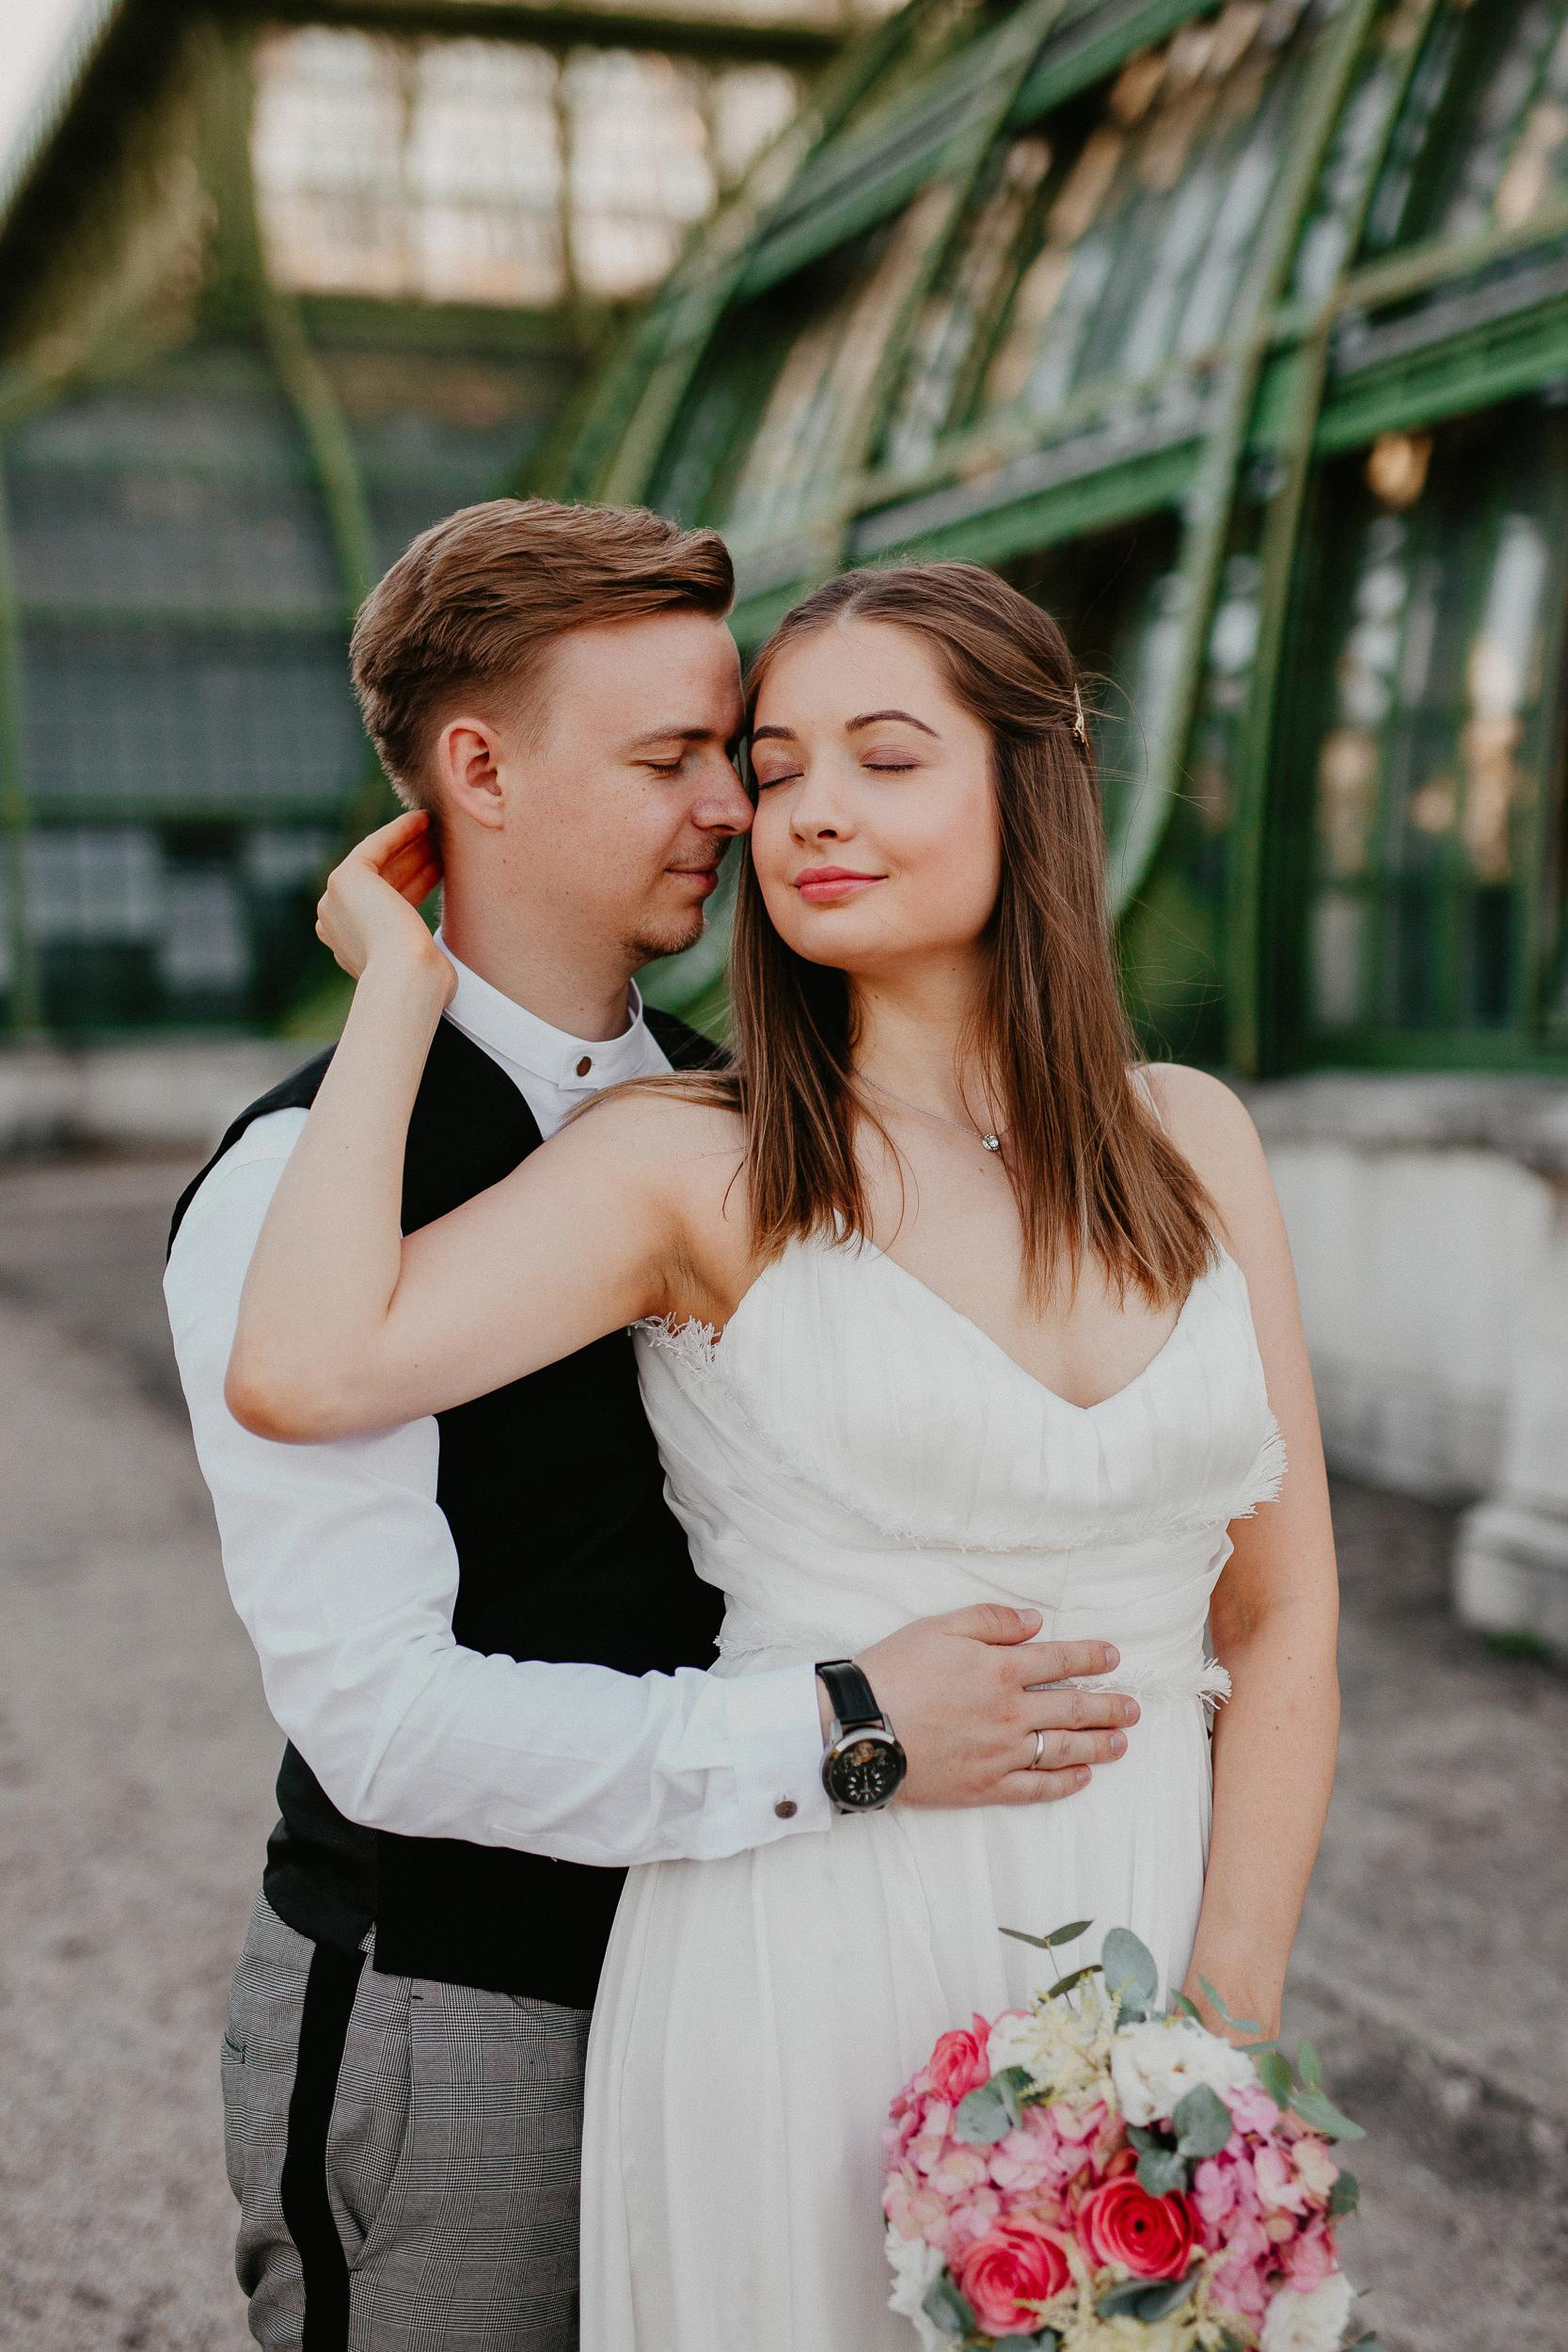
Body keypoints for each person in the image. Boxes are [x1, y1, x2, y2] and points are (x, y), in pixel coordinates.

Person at [226, 556, 1340, 2350]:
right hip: (804, 1931)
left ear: (1024, 787)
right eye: (780, 759)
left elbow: (1283, 1624)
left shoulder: (1191, 1141)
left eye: (883, 759)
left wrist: (1209, 2033)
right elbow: (298, 1366)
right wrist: (394, 989)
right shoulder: (692, 1159)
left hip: (1143, 1918)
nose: (801, 809)